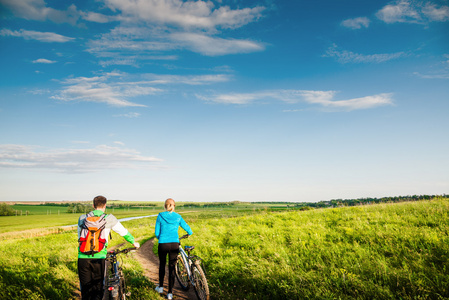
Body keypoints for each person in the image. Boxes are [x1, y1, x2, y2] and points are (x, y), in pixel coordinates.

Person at [77, 195, 140, 300]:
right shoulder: (109, 218)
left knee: (85, 290)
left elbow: (80, 237)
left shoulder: (82, 218)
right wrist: (133, 242)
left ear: (93, 205)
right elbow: (123, 232)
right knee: (98, 289)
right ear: (105, 205)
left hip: (83, 257)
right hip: (99, 258)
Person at [154, 198, 193, 300]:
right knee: (172, 267)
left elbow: (157, 233)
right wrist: (189, 233)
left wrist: (161, 238)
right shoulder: (178, 217)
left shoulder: (160, 216)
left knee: (162, 265)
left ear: (165, 206)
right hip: (174, 244)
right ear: (174, 206)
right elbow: (188, 229)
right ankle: (170, 293)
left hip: (163, 244)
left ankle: (161, 287)